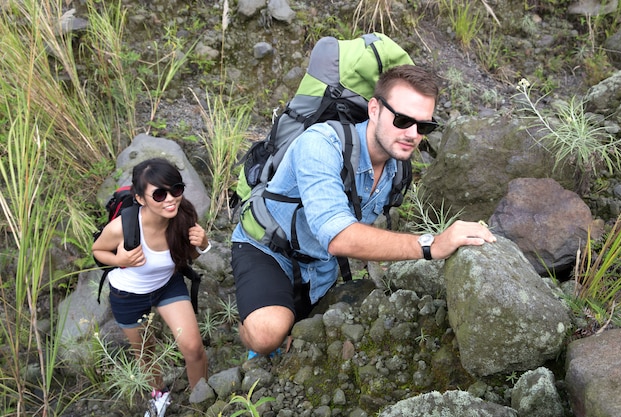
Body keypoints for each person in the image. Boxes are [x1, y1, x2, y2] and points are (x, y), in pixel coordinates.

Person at [231, 64, 496, 357]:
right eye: (403, 119)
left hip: (320, 263)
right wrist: (431, 244)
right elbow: (339, 237)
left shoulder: (397, 169)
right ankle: (246, 329)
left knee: (306, 332)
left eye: (424, 126)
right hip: (267, 248)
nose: (412, 134)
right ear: (374, 109)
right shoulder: (321, 144)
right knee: (268, 335)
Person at [92, 157, 210, 416]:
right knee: (146, 354)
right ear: (141, 199)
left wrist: (203, 243)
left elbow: (190, 256)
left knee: (193, 348)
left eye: (176, 190)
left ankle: (200, 400)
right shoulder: (124, 226)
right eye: (159, 194)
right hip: (128, 295)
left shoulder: (184, 214)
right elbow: (98, 250)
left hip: (168, 285)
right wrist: (120, 260)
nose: (170, 199)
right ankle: (158, 396)